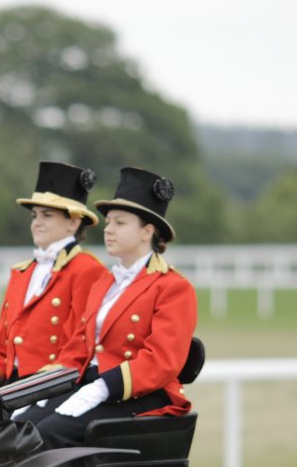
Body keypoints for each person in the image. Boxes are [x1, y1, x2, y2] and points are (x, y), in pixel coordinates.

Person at [23, 167, 197, 449]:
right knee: (18, 428)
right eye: (108, 222)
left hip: (139, 393)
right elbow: (79, 346)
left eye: (120, 222)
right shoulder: (105, 281)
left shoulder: (173, 287)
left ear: (147, 231)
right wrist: (40, 388)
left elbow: (162, 362)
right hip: (90, 384)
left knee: (48, 434)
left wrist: (104, 388)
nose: (108, 229)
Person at [0, 161, 107, 394]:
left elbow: (79, 345)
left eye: (47, 215)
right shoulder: (21, 272)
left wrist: (38, 390)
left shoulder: (87, 270)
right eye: (34, 215)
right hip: (11, 386)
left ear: (73, 222)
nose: (36, 223)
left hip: (53, 388)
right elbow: (3, 344)